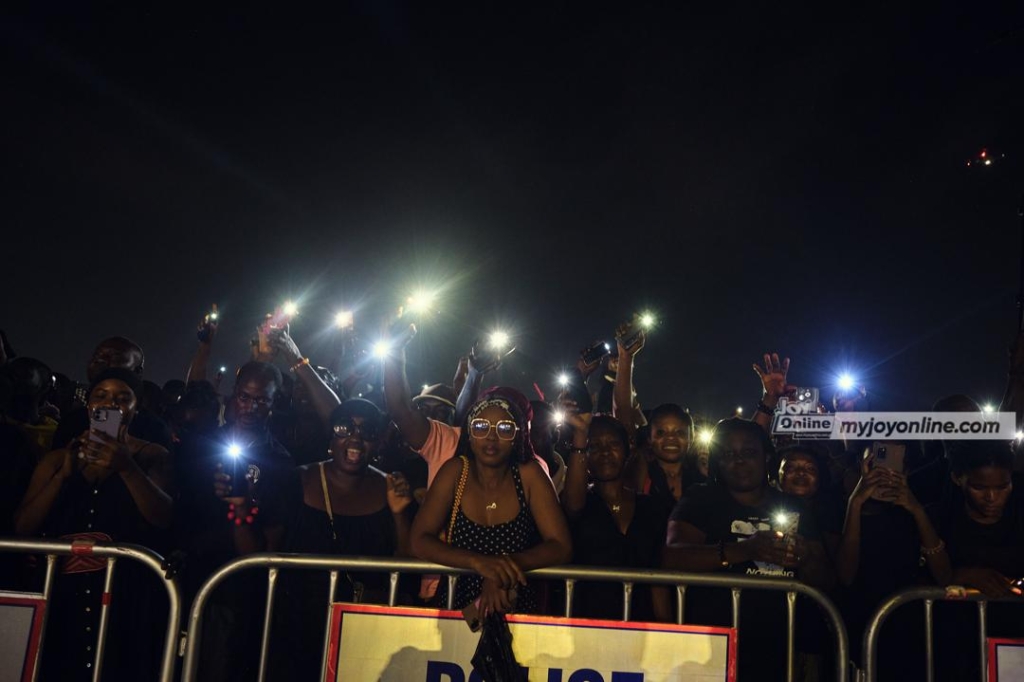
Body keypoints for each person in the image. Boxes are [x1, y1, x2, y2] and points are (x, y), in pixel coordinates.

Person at [14, 368, 173, 681]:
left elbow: (163, 517)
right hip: (62, 594)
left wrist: (127, 468)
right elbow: (22, 527)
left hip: (123, 595)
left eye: (122, 398)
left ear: (135, 408)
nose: (110, 404)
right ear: (88, 406)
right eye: (101, 396)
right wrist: (62, 477)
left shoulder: (153, 455)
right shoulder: (59, 458)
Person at [664, 418, 833, 682]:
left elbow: (826, 578)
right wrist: (744, 550)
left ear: (767, 457)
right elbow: (673, 556)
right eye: (728, 454)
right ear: (718, 461)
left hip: (781, 645)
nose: (739, 461)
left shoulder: (793, 505)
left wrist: (805, 557)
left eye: (749, 452)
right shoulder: (701, 499)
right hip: (714, 646)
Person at [269, 399, 414, 680]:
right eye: (344, 428)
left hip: (363, 629)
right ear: (331, 436)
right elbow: (268, 550)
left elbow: (407, 561)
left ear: (378, 442)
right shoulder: (297, 481)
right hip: (297, 624)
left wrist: (399, 513)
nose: (355, 438)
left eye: (367, 431)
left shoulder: (391, 488)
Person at [175, 361, 294, 682]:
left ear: (274, 403)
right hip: (188, 578)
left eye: (261, 400)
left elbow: (271, 543)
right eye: (244, 397)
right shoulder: (200, 445)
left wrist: (245, 508)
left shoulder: (280, 461)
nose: (250, 407)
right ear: (233, 395)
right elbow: (178, 509)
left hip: (238, 593)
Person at [411, 394, 571, 615]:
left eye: (504, 428)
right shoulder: (455, 471)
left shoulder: (530, 474)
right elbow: (419, 540)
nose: (491, 437)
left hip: (516, 607)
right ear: (469, 434)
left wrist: (502, 569)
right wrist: (479, 563)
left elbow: (561, 546)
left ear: (517, 436)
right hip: (459, 605)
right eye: (480, 427)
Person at [832, 441, 951, 681]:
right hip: (858, 624)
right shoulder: (842, 510)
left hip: (908, 629)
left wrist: (916, 509)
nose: (883, 472)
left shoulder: (917, 512)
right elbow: (846, 575)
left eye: (894, 465)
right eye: (874, 464)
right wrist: (855, 503)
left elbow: (944, 576)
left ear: (906, 471)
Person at [561, 410, 671, 621]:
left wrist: (667, 630)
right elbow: (573, 506)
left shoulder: (651, 508)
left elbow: (658, 577)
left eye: (613, 444)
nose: (605, 452)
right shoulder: (579, 504)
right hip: (587, 625)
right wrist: (580, 434)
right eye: (594, 446)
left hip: (642, 626)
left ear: (627, 450)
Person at [931, 441, 1024, 680]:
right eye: (979, 487)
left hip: (1014, 642)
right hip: (956, 645)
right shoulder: (941, 519)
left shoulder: (1019, 515)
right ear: (957, 479)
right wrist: (962, 575)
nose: (992, 497)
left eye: (1003, 487)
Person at [51, 337, 173, 450]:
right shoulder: (72, 422)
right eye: (96, 356)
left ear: (137, 371)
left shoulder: (154, 430)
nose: (100, 361)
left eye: (115, 357)